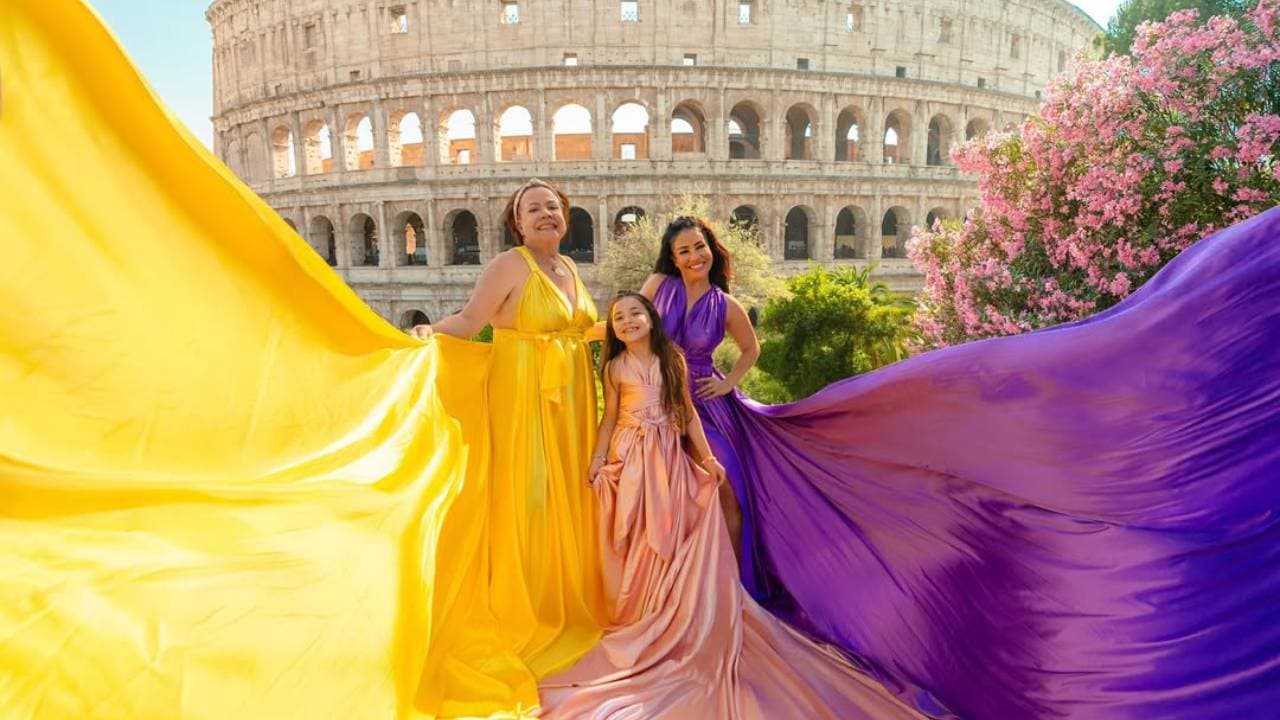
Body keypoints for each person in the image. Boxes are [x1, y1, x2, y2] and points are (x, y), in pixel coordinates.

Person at [640, 213, 1280, 719]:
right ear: (671, 257)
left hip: (713, 407)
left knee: (721, 494)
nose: (693, 256)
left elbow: (749, 351)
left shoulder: (725, 304)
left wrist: (729, 383)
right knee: (663, 493)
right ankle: (665, 593)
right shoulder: (657, 291)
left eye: (700, 247)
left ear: (711, 251)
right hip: (660, 406)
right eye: (684, 249)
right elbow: (629, 334)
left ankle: (728, 593)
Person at [537, 293, 936, 720]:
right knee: (634, 532)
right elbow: (610, 417)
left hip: (666, 456)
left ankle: (675, 611)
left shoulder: (671, 358)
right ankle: (641, 611)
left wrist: (706, 458)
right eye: (618, 317)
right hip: (629, 457)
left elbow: (686, 412)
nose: (628, 321)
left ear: (651, 319)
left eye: (635, 313)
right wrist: (599, 460)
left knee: (669, 529)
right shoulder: (614, 367)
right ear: (613, 329)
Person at [410, 178, 608, 716]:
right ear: (517, 223)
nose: (545, 214)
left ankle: (564, 599)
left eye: (552, 206)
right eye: (532, 209)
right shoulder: (508, 265)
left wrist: (629, 325)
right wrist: (431, 334)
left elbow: (577, 331)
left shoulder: (568, 269)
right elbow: (472, 322)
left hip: (568, 403)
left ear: (565, 217)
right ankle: (528, 607)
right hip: (521, 398)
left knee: (567, 496)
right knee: (530, 498)